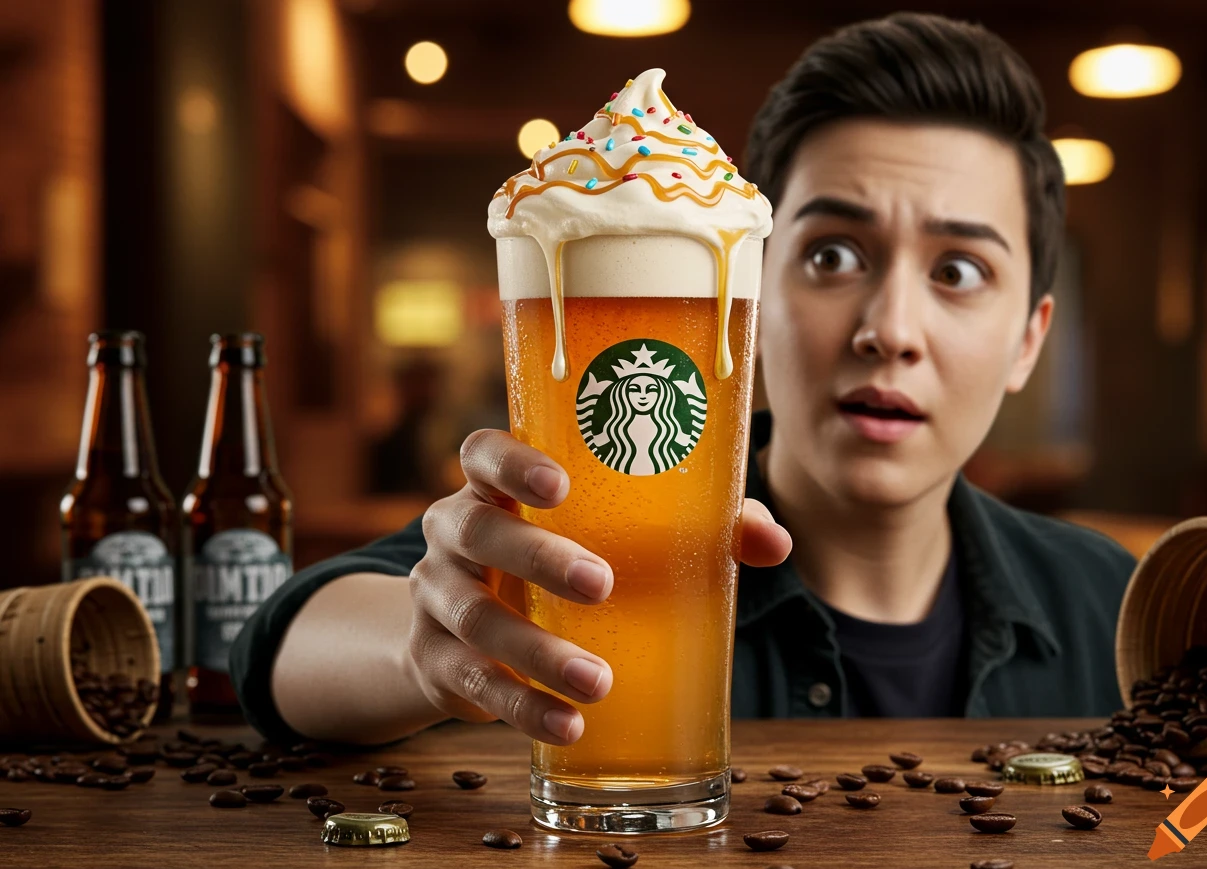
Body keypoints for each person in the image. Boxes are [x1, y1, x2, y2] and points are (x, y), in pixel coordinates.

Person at [231, 12, 1136, 746]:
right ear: (746, 287)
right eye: (830, 253)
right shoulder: (605, 522)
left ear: (1028, 340)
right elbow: (283, 644)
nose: (888, 331)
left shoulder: (1116, 606)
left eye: (958, 272)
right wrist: (421, 652)